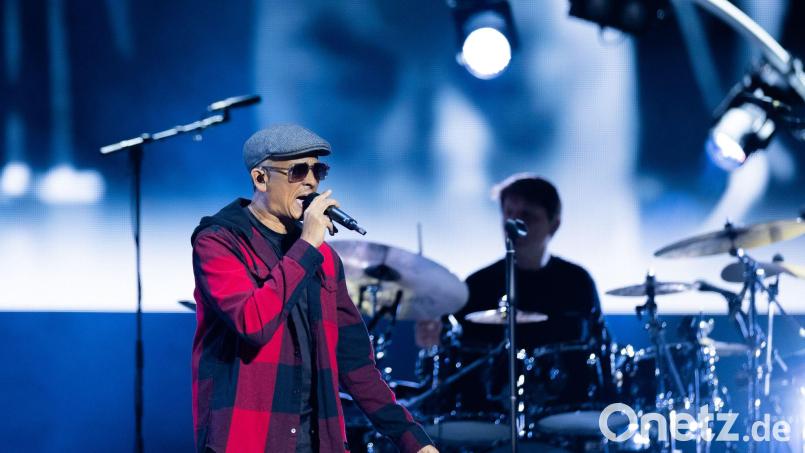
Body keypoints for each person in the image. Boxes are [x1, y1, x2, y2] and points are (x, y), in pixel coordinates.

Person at [191, 124, 437, 453]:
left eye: (318, 170)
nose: (311, 181)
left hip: (315, 441)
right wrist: (307, 244)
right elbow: (254, 323)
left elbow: (356, 365)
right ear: (260, 179)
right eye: (298, 170)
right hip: (247, 438)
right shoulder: (219, 242)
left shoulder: (322, 258)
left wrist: (415, 441)